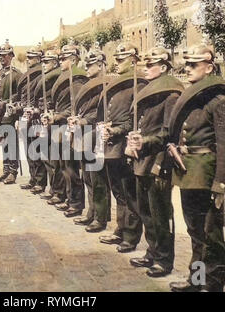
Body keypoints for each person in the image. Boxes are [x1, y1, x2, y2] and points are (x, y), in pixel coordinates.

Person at [165, 45, 225, 292]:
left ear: (209, 68)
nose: (187, 69)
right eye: (187, 64)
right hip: (188, 173)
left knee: (211, 235)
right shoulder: (193, 98)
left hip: (207, 176)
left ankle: (214, 284)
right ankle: (197, 281)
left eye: (193, 65)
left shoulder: (219, 101)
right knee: (195, 232)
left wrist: (221, 185)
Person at [126, 47, 184, 277]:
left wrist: (145, 140)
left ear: (164, 67)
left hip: (159, 160)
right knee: (146, 211)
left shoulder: (170, 95)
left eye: (151, 65)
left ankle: (164, 260)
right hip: (143, 159)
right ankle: (152, 252)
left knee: (160, 213)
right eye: (145, 65)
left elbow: (170, 132)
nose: (146, 68)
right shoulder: (150, 91)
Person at [95, 43, 147, 250]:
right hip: (111, 146)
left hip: (125, 146)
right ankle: (120, 228)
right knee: (118, 191)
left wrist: (115, 130)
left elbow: (136, 121)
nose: (117, 63)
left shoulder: (138, 84)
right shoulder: (119, 84)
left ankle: (131, 236)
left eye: (121, 59)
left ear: (133, 60)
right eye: (116, 59)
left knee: (130, 193)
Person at [42, 41, 89, 216]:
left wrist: (57, 116)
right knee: (63, 166)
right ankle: (69, 199)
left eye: (64, 59)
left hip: (69, 128)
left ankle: (76, 204)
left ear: (73, 59)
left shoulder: (76, 79)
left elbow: (73, 108)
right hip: (59, 127)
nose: (60, 62)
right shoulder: (65, 76)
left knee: (71, 168)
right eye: (60, 58)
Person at [71, 47, 112, 228]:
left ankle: (100, 217)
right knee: (87, 176)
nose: (87, 67)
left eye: (92, 64)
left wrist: (83, 120)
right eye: (86, 64)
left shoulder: (106, 86)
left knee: (98, 179)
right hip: (84, 135)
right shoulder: (89, 85)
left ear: (102, 65)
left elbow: (100, 113)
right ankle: (91, 212)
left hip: (96, 136)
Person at [0, 40, 23, 184]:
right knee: (3, 142)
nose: (2, 58)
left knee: (11, 143)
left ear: (11, 56)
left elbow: (20, 96)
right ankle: (5, 170)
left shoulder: (17, 75)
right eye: (0, 55)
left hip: (9, 115)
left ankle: (13, 172)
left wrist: (7, 103)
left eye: (5, 55)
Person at [15, 44, 47, 194]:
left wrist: (35, 111)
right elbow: (22, 96)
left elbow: (42, 99)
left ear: (39, 58)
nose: (28, 60)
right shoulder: (27, 75)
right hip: (24, 115)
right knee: (28, 149)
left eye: (31, 58)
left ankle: (40, 182)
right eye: (27, 57)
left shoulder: (41, 76)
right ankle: (33, 179)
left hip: (36, 118)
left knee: (36, 149)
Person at [33, 50, 64, 203]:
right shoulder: (45, 78)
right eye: (43, 62)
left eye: (47, 62)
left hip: (54, 119)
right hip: (44, 117)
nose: (44, 65)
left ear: (55, 63)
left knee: (54, 159)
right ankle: (53, 189)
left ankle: (58, 191)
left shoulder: (56, 77)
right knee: (46, 156)